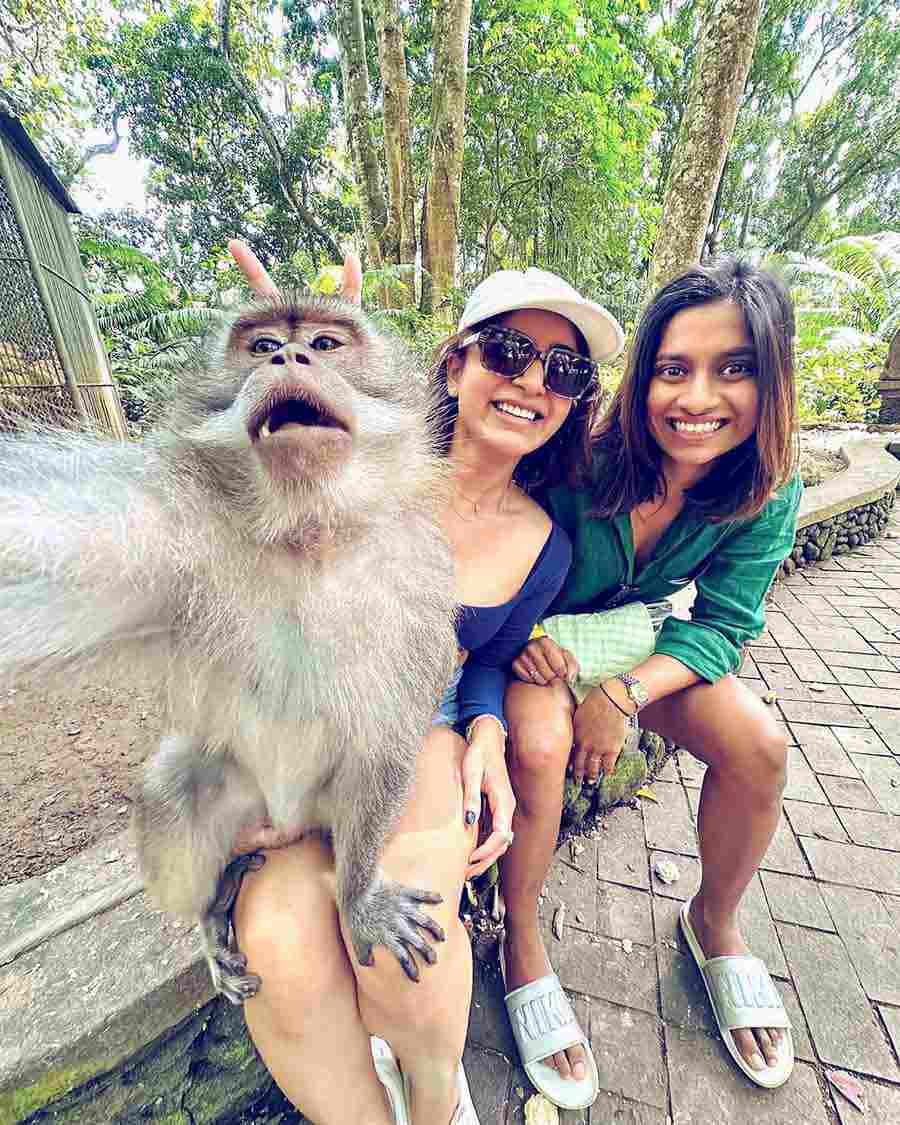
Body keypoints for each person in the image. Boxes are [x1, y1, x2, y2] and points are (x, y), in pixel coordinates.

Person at [224, 240, 624, 1124]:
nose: (533, 382)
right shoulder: (352, 459)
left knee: (405, 934)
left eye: (562, 369)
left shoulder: (544, 544)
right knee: (279, 945)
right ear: (456, 361)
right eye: (509, 352)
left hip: (419, 733)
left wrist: (486, 727)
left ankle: (438, 1099)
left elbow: (483, 656)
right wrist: (291, 345)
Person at [500, 258, 801, 1094]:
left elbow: (725, 626)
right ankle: (520, 940)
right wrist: (516, 631)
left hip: (633, 644)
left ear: (771, 381)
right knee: (539, 743)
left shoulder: (766, 490)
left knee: (760, 745)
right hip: (543, 639)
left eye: (733, 368)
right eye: (674, 368)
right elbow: (485, 526)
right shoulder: (581, 449)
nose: (696, 398)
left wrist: (623, 694)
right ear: (644, 377)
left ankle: (715, 923)